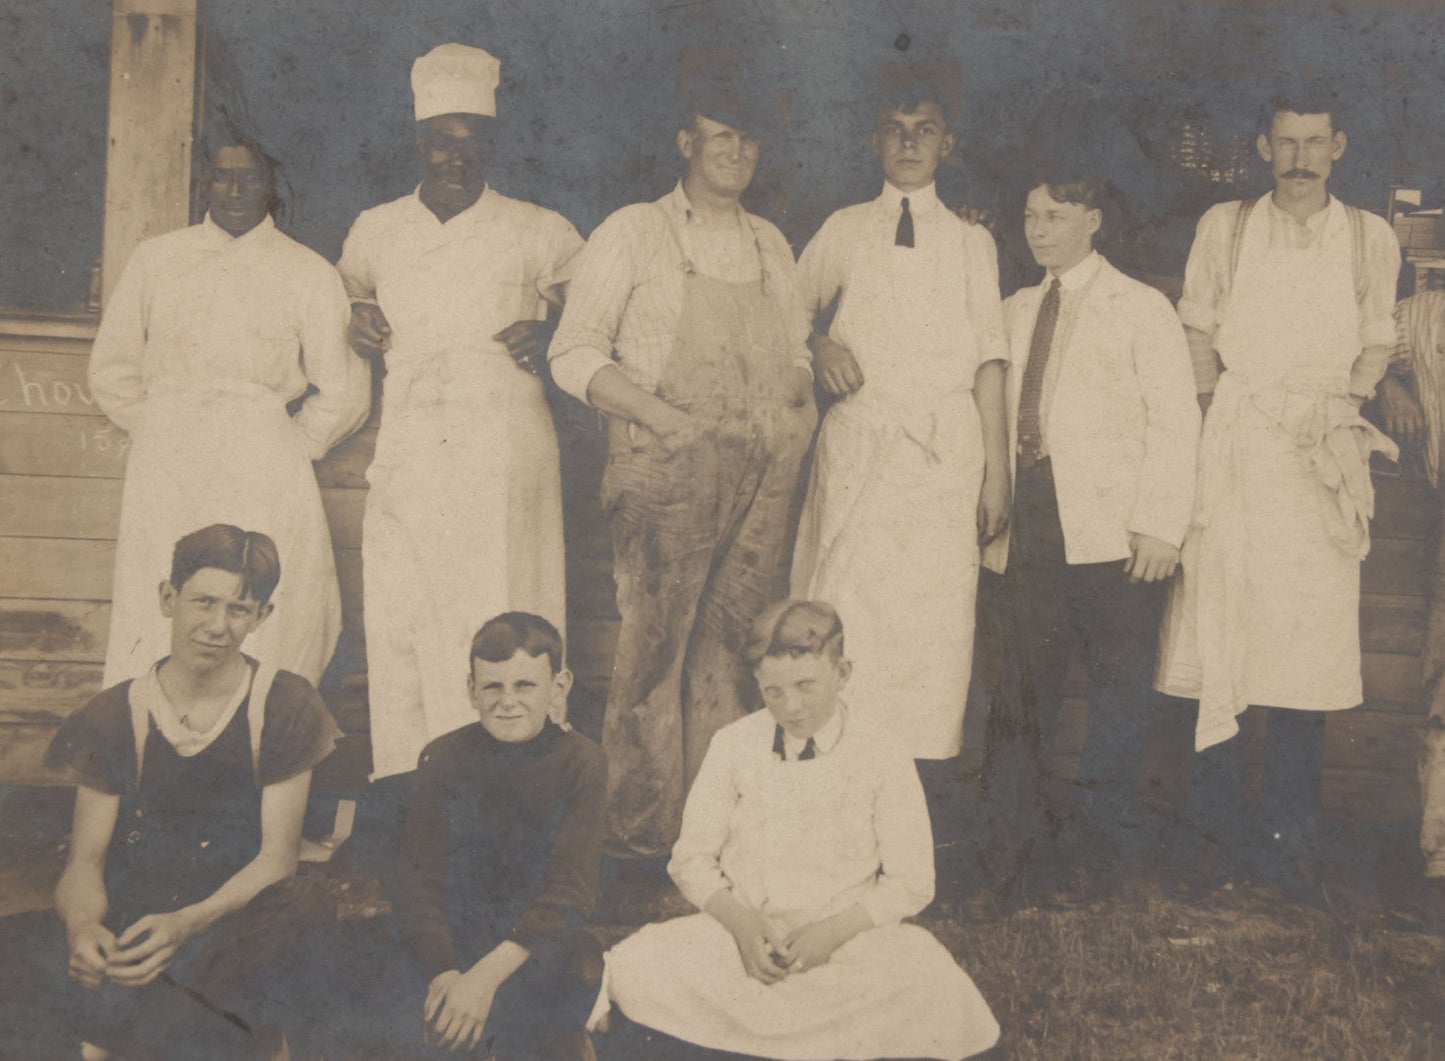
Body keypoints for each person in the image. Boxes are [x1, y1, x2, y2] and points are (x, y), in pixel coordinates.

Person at [548, 84, 817, 858]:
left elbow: (795, 345)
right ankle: (640, 835)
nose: (735, 153)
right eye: (719, 136)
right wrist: (659, 417)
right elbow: (573, 352)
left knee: (732, 645)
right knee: (653, 651)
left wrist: (793, 393)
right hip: (665, 470)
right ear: (684, 142)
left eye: (747, 141)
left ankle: (717, 833)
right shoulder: (634, 232)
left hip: (759, 473)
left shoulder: (770, 241)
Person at [1156, 90, 1402, 896]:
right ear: (1262, 146)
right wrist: (1207, 427)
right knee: (1221, 630)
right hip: (1235, 445)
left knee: (1302, 645)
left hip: (1319, 458)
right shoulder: (1224, 227)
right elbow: (1195, 333)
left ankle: (1287, 837)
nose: (1298, 158)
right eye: (1284, 142)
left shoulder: (1369, 237)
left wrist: (1343, 408)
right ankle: (1214, 834)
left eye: (1313, 143)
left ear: (1338, 146)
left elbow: (1376, 339)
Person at [594, 600, 999, 1060]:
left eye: (807, 686)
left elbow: (912, 881)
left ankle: (737, 1041)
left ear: (842, 673)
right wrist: (743, 925)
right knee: (641, 960)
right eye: (773, 692)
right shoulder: (733, 745)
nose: (792, 706)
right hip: (745, 938)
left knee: (925, 975)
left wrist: (833, 933)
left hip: (849, 941)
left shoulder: (883, 751)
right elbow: (691, 859)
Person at [338, 44, 583, 779]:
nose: (457, 157)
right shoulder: (375, 229)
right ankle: (413, 786)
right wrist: (354, 315)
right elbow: (347, 297)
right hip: (414, 439)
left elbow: (605, 311)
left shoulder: (539, 228)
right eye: (442, 141)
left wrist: (554, 330)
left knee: (506, 601)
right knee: (408, 610)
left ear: (492, 148)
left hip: (505, 444)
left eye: (472, 143)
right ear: (418, 144)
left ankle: (519, 779)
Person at [979, 174, 1199, 904]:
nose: (1037, 229)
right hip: (1030, 528)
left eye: (1055, 216)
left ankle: (1101, 861)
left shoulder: (1138, 307)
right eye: (1029, 214)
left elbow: (1173, 421)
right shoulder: (1011, 308)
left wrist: (1160, 524)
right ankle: (1012, 857)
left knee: (1116, 701)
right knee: (1019, 697)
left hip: (1114, 538)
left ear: (1093, 222)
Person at [43, 524, 341, 1060]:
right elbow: (85, 862)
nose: (216, 626)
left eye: (239, 609)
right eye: (203, 602)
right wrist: (84, 927)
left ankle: (118, 1040)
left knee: (301, 909)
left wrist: (189, 923)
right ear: (168, 598)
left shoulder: (285, 704)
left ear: (262, 617)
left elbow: (276, 860)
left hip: (232, 918)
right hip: (146, 918)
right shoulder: (116, 713)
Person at [89, 134, 370, 689]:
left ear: (272, 186)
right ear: (205, 183)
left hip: (261, 455)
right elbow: (112, 369)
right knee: (161, 588)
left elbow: (344, 387)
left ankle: (258, 736)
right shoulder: (156, 260)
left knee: (264, 593)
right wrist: (165, 428)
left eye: (250, 177)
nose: (236, 189)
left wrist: (288, 442)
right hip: (169, 454)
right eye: (223, 176)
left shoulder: (306, 271)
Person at [790, 84, 1009, 784]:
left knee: (931, 628)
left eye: (924, 129)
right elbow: (784, 311)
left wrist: (996, 474)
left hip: (943, 459)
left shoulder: (973, 239)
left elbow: (989, 360)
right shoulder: (844, 227)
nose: (908, 141)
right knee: (846, 610)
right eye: (893, 128)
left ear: (948, 144)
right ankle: (831, 783)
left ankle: (917, 806)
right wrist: (819, 344)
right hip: (860, 448)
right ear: (873, 143)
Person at [315, 613, 605, 1060]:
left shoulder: (581, 762)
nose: (507, 701)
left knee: (566, 983)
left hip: (530, 948)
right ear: (471, 689)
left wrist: (482, 981)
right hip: (450, 944)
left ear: (560, 686)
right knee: (365, 989)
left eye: (524, 685)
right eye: (492, 687)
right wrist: (445, 974)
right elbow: (418, 880)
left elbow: (569, 891)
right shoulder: (444, 757)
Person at [1376, 291, 1445, 907]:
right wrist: (1392, 387)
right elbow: (1368, 355)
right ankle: (1441, 860)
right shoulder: (1419, 314)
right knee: (1443, 693)